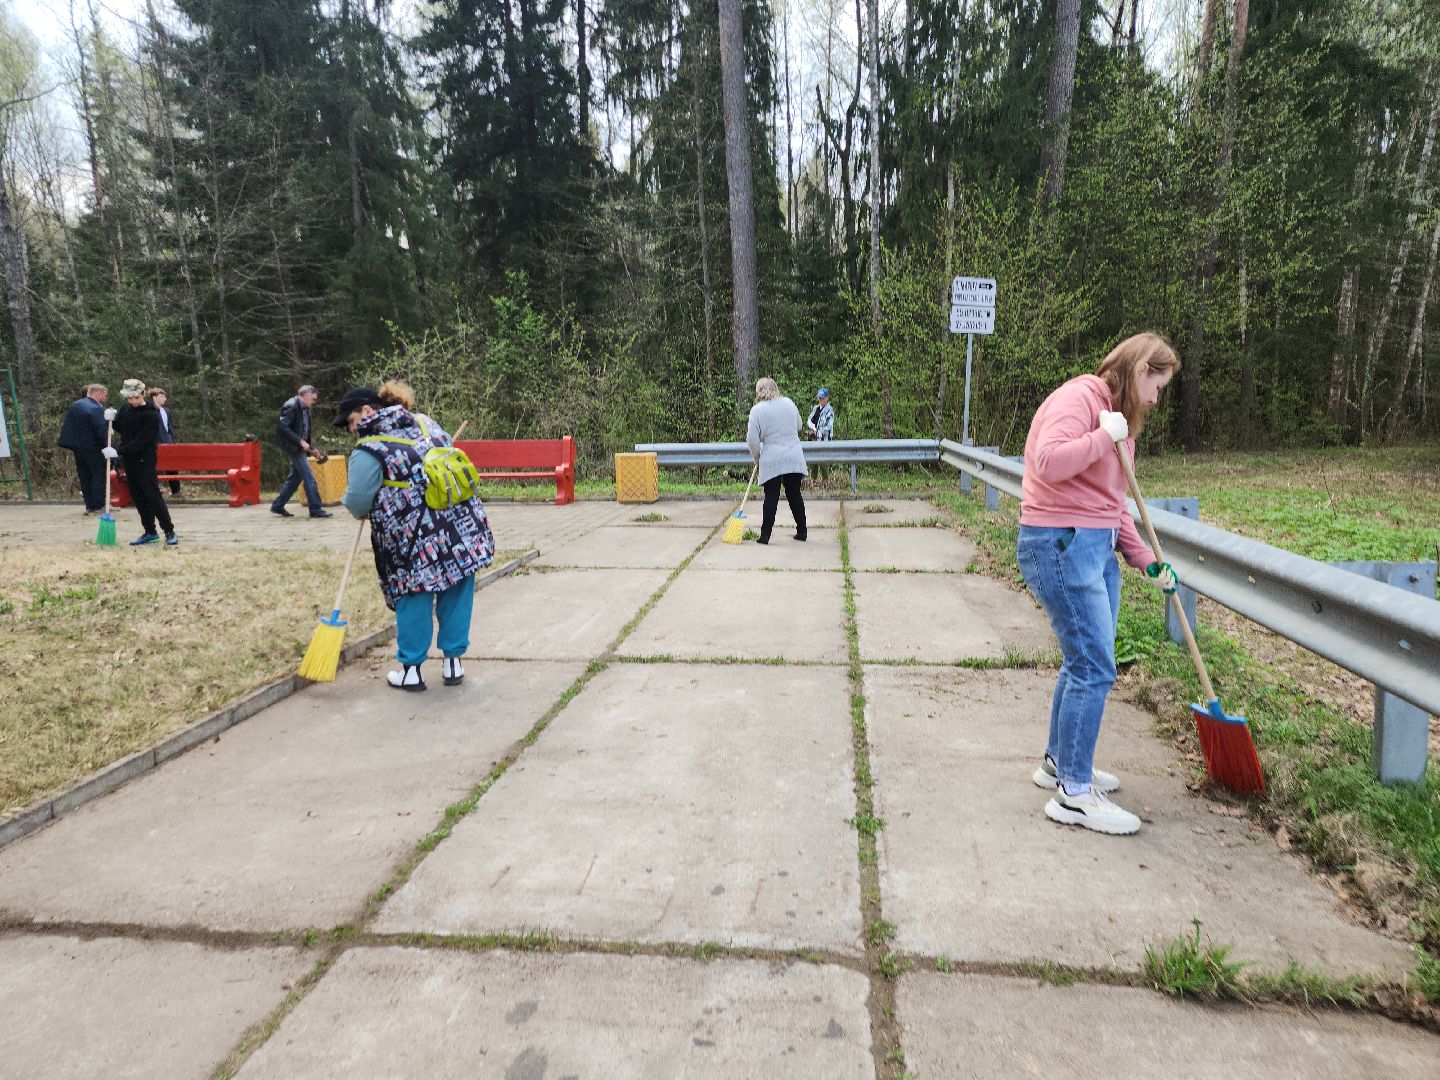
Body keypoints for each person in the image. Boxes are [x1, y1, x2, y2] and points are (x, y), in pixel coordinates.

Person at [1016, 332, 1181, 836]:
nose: (1157, 398)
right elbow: (1047, 462)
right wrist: (1101, 438)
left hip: (1095, 544)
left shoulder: (1119, 420)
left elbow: (1111, 505)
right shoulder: (1080, 398)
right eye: (1157, 384)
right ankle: (1074, 793)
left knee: (1082, 660)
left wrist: (1145, 559)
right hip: (1061, 544)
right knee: (1094, 664)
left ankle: (1059, 763)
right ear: (1138, 370)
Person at [336, 381, 495, 692]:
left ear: (368, 411)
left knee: (414, 595)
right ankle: (453, 663)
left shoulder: (369, 449)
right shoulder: (425, 423)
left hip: (412, 538)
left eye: (352, 422)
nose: (352, 430)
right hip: (460, 525)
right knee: (457, 587)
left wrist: (365, 508)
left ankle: (411, 670)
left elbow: (356, 501)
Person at [110, 378, 178, 546]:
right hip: (130, 460)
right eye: (129, 398)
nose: (131, 401)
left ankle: (169, 530)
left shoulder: (151, 413)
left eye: (134, 397)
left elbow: (142, 441)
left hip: (145, 459)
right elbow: (121, 427)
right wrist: (110, 420)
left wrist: (118, 450)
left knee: (152, 496)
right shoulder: (126, 408)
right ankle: (150, 531)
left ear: (142, 394)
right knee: (138, 497)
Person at [745, 377, 807, 545]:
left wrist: (756, 456)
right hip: (793, 455)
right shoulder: (788, 402)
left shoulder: (757, 410)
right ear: (775, 388)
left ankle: (765, 536)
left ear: (758, 391)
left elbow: (752, 439)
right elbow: (799, 425)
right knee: (794, 494)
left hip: (772, 457)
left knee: (771, 496)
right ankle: (802, 531)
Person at [272, 384, 331, 519]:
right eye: (313, 399)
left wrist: (311, 448)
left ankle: (277, 505)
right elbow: (283, 427)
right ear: (306, 395)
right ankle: (315, 509)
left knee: (295, 479)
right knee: (309, 478)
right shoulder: (291, 405)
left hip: (298, 446)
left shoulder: (304, 408)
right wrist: (300, 442)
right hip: (291, 446)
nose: (314, 402)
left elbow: (304, 431)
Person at [57, 383, 110, 514]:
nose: (105, 398)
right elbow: (100, 430)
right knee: (98, 474)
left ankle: (90, 505)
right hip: (93, 447)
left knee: (85, 475)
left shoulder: (76, 405)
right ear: (98, 394)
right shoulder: (96, 408)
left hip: (77, 447)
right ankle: (99, 505)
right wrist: (109, 446)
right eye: (105, 395)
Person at [149, 387, 181, 496]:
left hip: (169, 442)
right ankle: (155, 490)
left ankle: (176, 490)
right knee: (155, 468)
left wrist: (172, 441)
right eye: (162, 396)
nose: (164, 399)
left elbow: (169, 427)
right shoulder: (150, 410)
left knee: (172, 466)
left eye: (164, 396)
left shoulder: (166, 410)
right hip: (156, 443)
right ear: (154, 397)